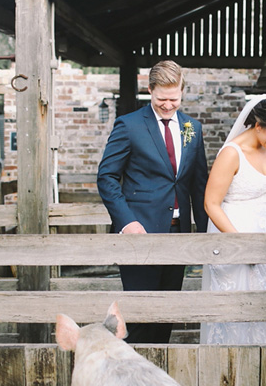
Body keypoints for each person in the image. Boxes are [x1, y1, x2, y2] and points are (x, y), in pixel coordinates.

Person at [97, 60, 208, 344]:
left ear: (182, 92)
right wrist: (127, 222)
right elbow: (107, 177)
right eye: (161, 99)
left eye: (174, 99)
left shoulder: (193, 128)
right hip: (140, 233)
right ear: (149, 90)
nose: (168, 105)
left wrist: (205, 234)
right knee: (140, 315)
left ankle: (157, 365)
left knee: (167, 312)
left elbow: (198, 185)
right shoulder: (129, 125)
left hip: (178, 234)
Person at [200, 94, 266, 345]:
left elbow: (265, 185)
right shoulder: (232, 154)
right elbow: (211, 204)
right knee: (238, 303)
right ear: (258, 125)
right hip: (236, 231)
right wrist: (241, 244)